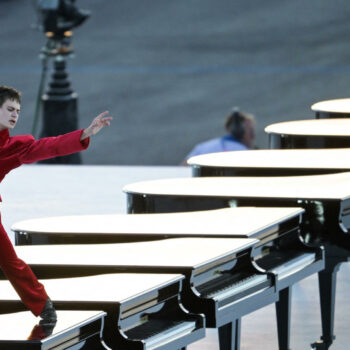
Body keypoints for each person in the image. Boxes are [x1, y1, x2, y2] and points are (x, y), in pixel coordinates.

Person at [0, 85, 112, 325]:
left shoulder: (13, 147)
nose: (15, 115)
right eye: (9, 109)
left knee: (10, 262)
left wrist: (85, 133)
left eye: (17, 111)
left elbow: (48, 146)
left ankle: (44, 307)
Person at [183, 108, 256, 163]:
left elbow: (182, 169)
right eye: (251, 132)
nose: (253, 136)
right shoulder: (245, 154)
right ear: (240, 132)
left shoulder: (203, 147)